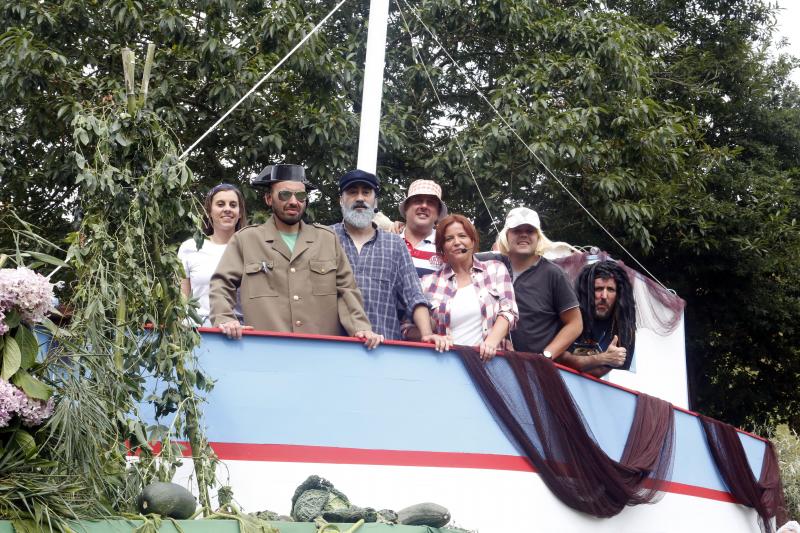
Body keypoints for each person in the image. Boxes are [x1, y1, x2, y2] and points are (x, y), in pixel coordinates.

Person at [209, 164, 381, 349]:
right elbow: (221, 284)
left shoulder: (326, 239)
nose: (293, 201)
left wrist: (360, 328)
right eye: (284, 195)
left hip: (321, 355)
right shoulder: (246, 239)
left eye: (300, 196)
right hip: (264, 353)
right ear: (268, 198)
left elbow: (347, 291)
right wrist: (224, 318)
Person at [331, 170, 449, 350]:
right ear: (341, 200)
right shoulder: (324, 238)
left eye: (366, 192)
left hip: (384, 351)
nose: (360, 198)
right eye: (353, 192)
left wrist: (426, 335)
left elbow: (414, 296)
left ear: (375, 201)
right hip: (331, 345)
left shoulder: (395, 245)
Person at [407, 214, 517, 360]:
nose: (457, 242)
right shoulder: (428, 282)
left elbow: (509, 311)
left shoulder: (495, 269)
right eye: (449, 239)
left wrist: (491, 342)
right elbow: (406, 328)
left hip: (492, 361)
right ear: (442, 247)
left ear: (472, 240)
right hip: (447, 363)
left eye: (462, 236)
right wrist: (429, 336)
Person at [477, 207, 582, 359]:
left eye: (530, 230)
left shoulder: (554, 274)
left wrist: (546, 355)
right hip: (488, 359)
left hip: (534, 368)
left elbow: (575, 324)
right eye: (517, 230)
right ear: (507, 234)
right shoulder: (488, 263)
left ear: (538, 236)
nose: (524, 235)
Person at [179, 183, 248, 326]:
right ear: (209, 210)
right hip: (198, 330)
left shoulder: (250, 248)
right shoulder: (190, 247)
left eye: (233, 205)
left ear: (240, 213)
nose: (227, 209)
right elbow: (182, 300)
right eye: (221, 204)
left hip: (240, 330)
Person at [558, 260, 636, 377]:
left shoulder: (623, 329)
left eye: (610, 289)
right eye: (598, 289)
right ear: (587, 291)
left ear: (619, 295)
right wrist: (602, 358)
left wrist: (598, 362)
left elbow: (598, 373)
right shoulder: (570, 314)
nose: (604, 296)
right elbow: (558, 357)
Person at [397, 179, 447, 277]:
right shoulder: (388, 242)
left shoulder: (446, 246)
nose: (424, 206)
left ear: (438, 213)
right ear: (406, 208)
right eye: (418, 201)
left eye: (431, 202)